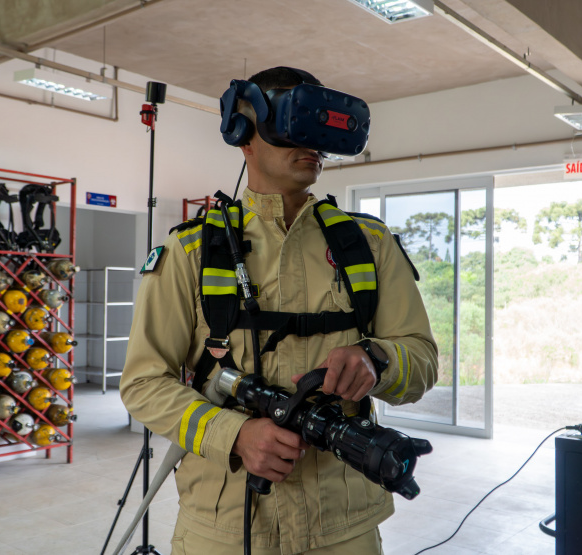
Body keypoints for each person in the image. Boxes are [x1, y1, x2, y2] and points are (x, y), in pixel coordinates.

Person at [120, 66, 438, 555]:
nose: (311, 145)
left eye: (320, 131)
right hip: (223, 527)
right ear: (244, 135)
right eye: (294, 124)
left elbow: (422, 359)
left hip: (343, 525)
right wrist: (236, 433)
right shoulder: (190, 252)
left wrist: (377, 361)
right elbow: (143, 384)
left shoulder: (368, 246)